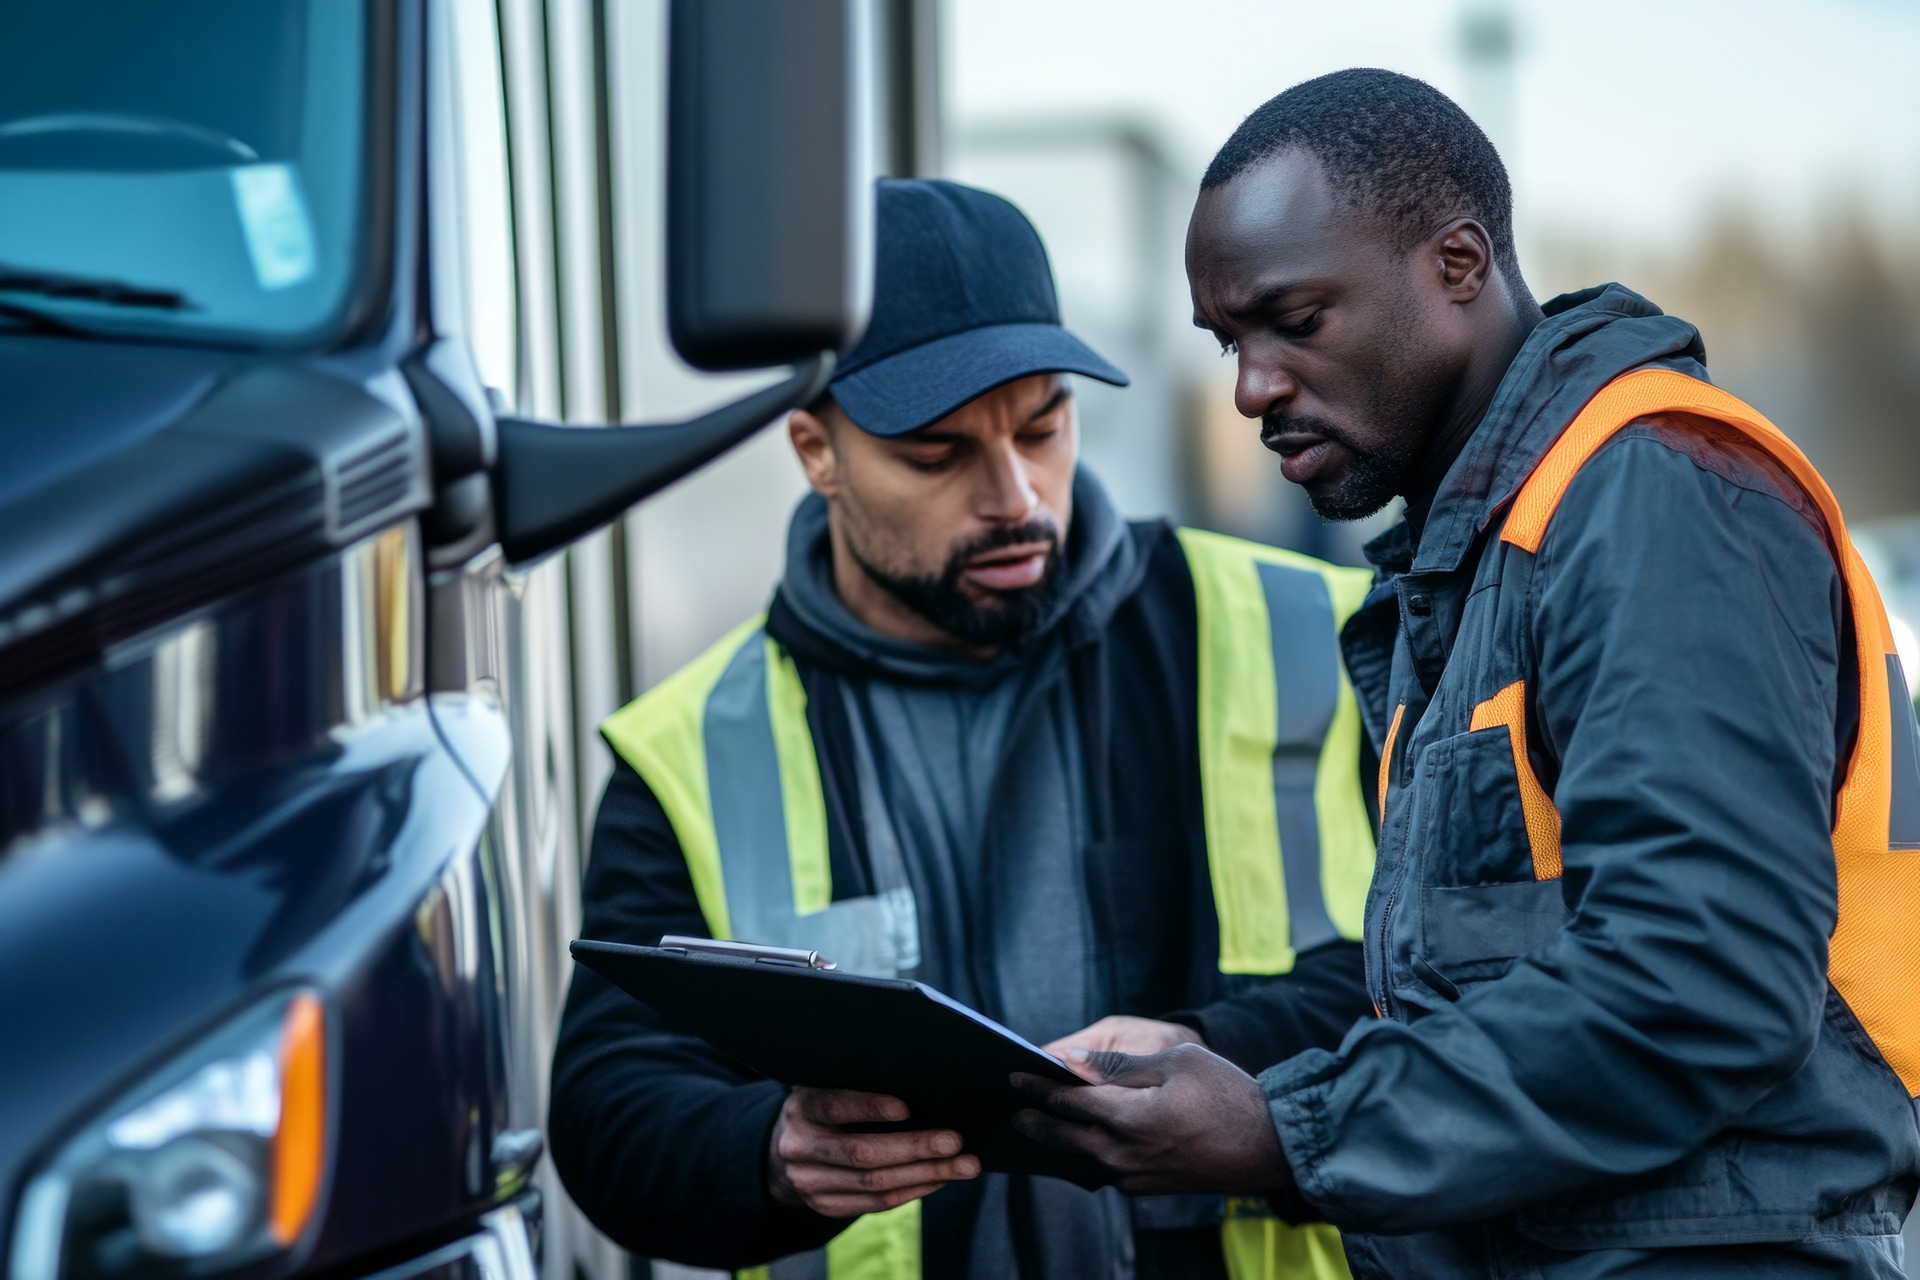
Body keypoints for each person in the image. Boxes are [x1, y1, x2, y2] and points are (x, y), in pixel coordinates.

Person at [1011, 69, 1920, 1278]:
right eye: (1231, 340)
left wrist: (1282, 1129)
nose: (1251, 387)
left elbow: (1702, 982)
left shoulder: (1654, 495)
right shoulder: (1483, 562)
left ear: (1457, 262)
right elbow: (1502, 999)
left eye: (1297, 319)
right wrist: (1224, 1068)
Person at [549, 178, 1380, 1280]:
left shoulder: (1311, 634)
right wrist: (769, 1152)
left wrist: (1217, 1053)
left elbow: (1454, 982)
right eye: (938, 455)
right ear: (815, 450)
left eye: (1044, 426)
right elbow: (610, 1108)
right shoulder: (691, 747)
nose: (1017, 497)